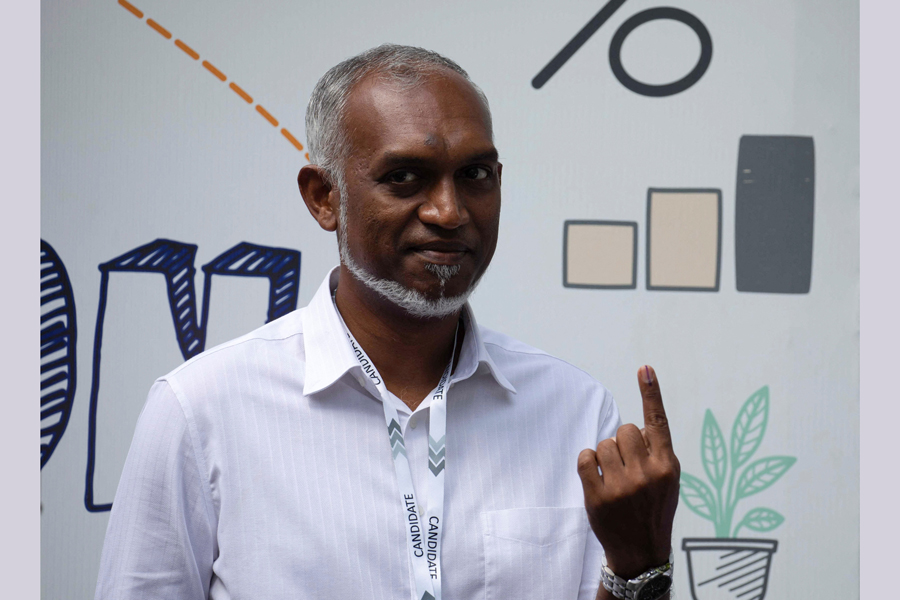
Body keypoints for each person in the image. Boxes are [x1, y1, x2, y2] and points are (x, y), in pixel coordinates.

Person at [95, 44, 679, 600]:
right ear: (325, 197)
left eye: (475, 175)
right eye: (405, 177)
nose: (448, 212)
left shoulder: (575, 413)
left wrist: (640, 567)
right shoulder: (200, 413)